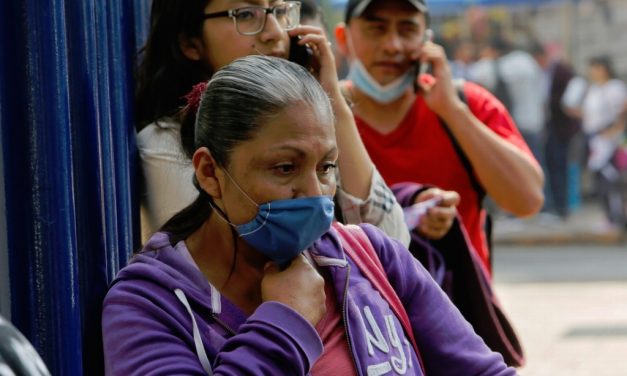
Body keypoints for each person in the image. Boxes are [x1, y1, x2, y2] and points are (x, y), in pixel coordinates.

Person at [102, 55, 515, 375]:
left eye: (326, 167)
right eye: (285, 168)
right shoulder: (147, 305)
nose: (315, 194)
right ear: (210, 172)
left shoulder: (371, 258)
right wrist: (285, 323)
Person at [134, 0, 420, 248]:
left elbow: (391, 240)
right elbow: (214, 264)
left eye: (280, 11)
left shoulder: (305, 129)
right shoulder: (165, 143)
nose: (275, 33)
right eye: (246, 14)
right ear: (190, 42)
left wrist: (333, 101)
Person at [334, 0, 544, 275]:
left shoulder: (468, 104)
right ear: (343, 38)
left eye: (407, 30)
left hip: (458, 310)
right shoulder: (319, 113)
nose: (392, 46)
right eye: (376, 29)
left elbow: (527, 200)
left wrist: (452, 111)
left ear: (427, 41)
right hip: (357, 309)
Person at [569, 56, 627, 229]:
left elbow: (623, 112)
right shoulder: (593, 89)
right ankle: (609, 216)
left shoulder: (616, 88)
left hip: (611, 141)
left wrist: (614, 130)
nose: (592, 71)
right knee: (599, 180)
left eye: (595, 67)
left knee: (611, 181)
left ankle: (617, 218)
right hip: (594, 139)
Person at [531, 43, 581, 219]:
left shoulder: (561, 71)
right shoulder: (546, 73)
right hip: (551, 126)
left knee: (560, 166)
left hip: (563, 128)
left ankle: (562, 207)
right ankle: (557, 206)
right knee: (553, 165)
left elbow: (568, 98)